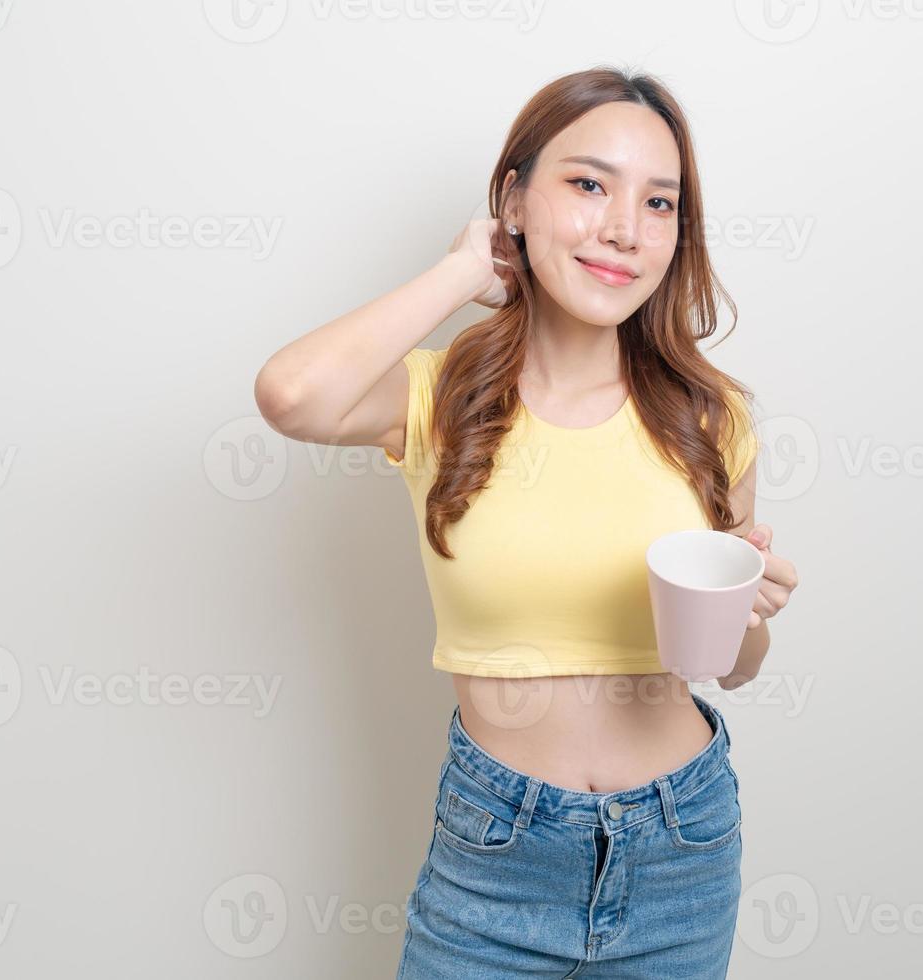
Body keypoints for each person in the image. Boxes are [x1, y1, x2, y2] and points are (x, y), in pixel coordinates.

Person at [254, 65, 800, 979]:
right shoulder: (439, 400)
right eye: (588, 185)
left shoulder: (711, 418)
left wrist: (752, 623)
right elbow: (291, 393)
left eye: (659, 203)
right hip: (497, 854)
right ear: (514, 195)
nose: (625, 228)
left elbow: (730, 670)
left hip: (683, 844)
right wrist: (465, 269)